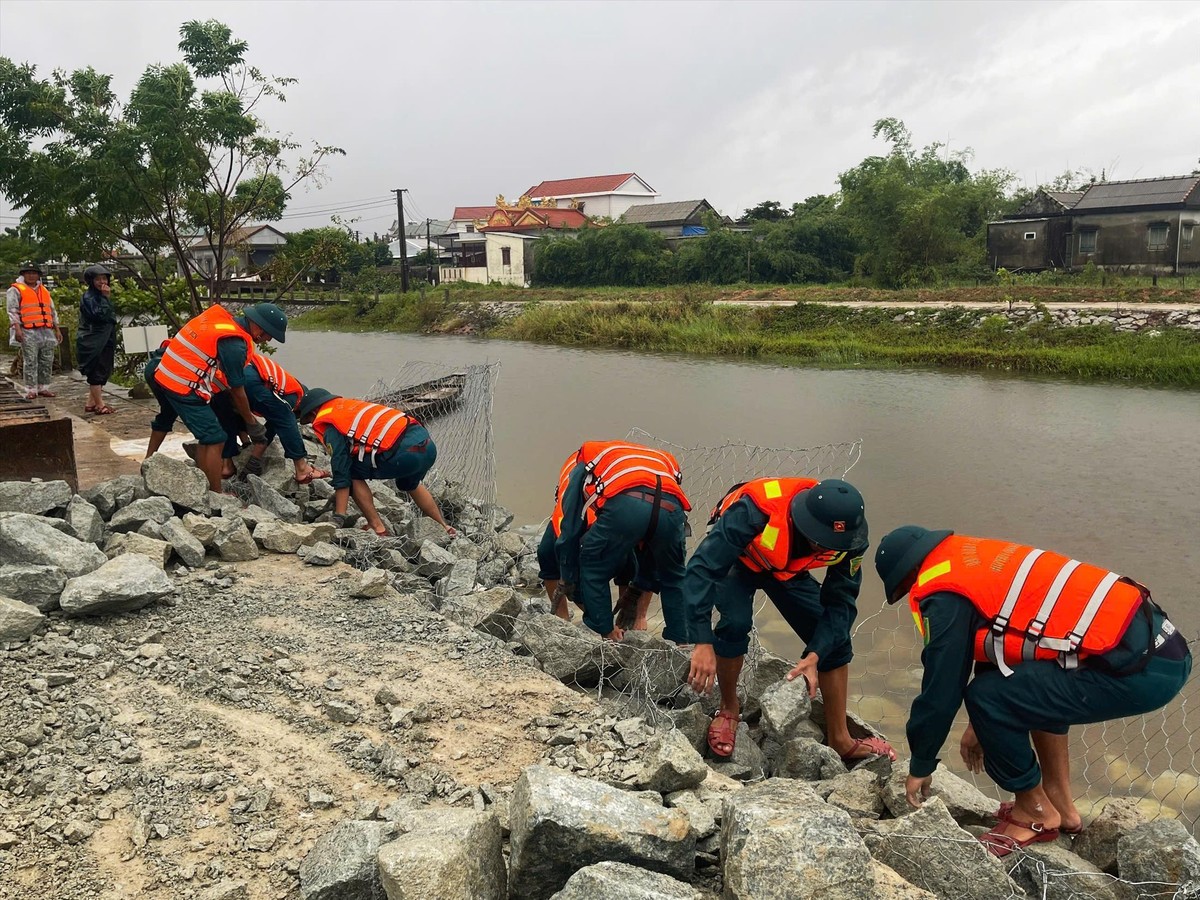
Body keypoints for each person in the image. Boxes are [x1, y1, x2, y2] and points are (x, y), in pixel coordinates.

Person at [874, 525, 1191, 857]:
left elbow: (941, 688)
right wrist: (979, 726)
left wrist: (922, 763)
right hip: (1163, 649)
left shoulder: (942, 594)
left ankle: (1034, 812)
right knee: (1029, 689)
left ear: (909, 574)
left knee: (986, 697)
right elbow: (1005, 637)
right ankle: (1061, 805)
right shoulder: (972, 557)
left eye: (905, 588)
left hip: (1139, 669)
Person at [683, 477, 895, 763]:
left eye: (831, 544)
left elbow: (841, 604)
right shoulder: (753, 511)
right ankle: (729, 709)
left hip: (785, 570)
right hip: (741, 559)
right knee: (735, 624)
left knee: (835, 642)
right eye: (819, 541)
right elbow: (702, 569)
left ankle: (840, 738)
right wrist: (701, 640)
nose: (824, 549)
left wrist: (815, 654)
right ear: (803, 522)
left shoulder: (850, 540)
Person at [538, 443, 687, 635]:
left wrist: (634, 593)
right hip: (670, 510)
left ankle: (612, 632)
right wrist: (567, 579)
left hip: (625, 507)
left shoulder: (588, 467)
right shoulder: (576, 494)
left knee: (595, 565)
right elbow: (565, 538)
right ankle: (682, 642)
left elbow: (577, 544)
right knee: (673, 575)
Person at [153, 302, 288, 492]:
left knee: (206, 436)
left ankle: (203, 486)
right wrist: (252, 423)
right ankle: (216, 495)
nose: (267, 340)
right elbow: (237, 390)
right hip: (182, 384)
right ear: (259, 328)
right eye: (268, 335)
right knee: (215, 438)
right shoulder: (235, 344)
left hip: (165, 373)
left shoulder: (220, 322)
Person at [296, 388, 453, 538]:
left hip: (404, 455)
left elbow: (341, 468)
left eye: (309, 419)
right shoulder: (349, 406)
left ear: (314, 412)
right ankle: (444, 527)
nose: (312, 424)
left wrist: (339, 515)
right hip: (427, 446)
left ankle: (377, 527)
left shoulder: (330, 423)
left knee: (352, 471)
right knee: (410, 484)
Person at [216, 354, 328, 485]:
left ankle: (227, 464)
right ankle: (302, 468)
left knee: (230, 414)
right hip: (249, 379)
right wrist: (255, 457)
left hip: (223, 379)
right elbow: (284, 422)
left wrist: (252, 455)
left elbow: (269, 428)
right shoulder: (294, 395)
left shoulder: (283, 389)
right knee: (285, 418)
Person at [7, 262, 62, 400]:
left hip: (46, 330)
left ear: (38, 275)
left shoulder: (44, 290)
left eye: (34, 273)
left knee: (47, 360)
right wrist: (17, 329)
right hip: (27, 330)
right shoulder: (15, 290)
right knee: (30, 360)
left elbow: (52, 311)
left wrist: (57, 329)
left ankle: (43, 387)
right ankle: (31, 389)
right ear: (23, 274)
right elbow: (13, 311)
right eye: (28, 273)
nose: (31, 276)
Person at [76, 264, 118, 415]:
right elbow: (99, 315)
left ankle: (91, 402)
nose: (102, 282)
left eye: (104, 278)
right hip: (93, 340)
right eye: (98, 279)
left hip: (104, 338)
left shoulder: (99, 296)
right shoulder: (89, 297)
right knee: (96, 372)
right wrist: (106, 298)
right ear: (91, 281)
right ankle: (100, 405)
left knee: (102, 369)